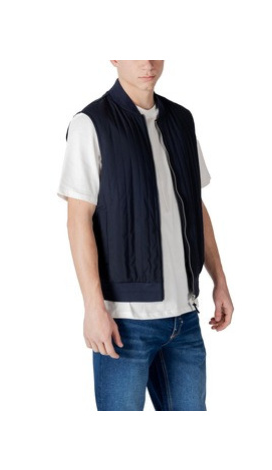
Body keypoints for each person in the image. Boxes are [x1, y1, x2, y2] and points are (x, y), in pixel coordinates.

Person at [57, 60, 234, 411]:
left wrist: (220, 281)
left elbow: (195, 207)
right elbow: (78, 220)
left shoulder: (181, 120)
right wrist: (93, 308)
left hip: (185, 321)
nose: (147, 62)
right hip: (124, 322)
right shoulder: (91, 123)